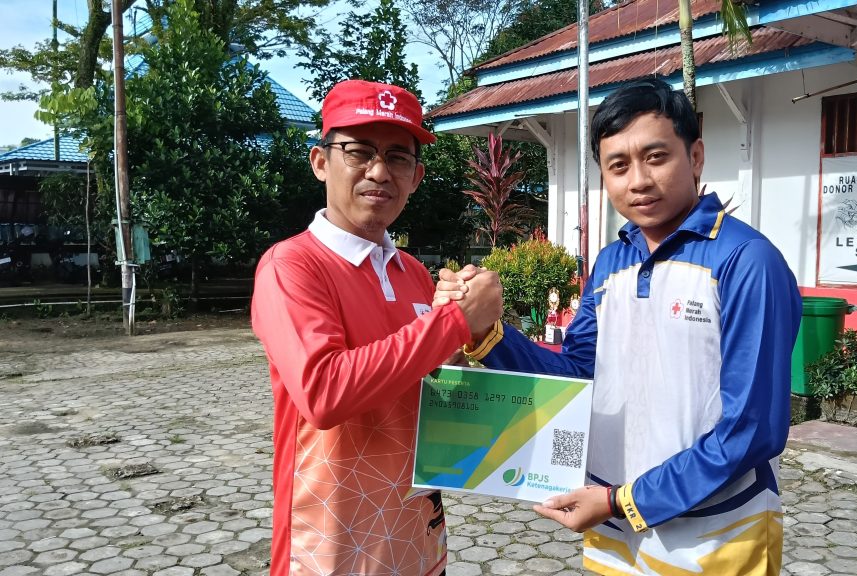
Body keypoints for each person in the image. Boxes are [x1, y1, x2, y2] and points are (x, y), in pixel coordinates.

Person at [434, 77, 801, 575]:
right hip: (612, 531)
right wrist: (484, 334)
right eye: (618, 165)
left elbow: (751, 429)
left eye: (656, 157)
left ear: (695, 157)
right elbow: (577, 377)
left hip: (716, 533)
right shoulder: (611, 263)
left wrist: (625, 500)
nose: (639, 181)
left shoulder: (747, 261)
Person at [250, 79, 502, 576]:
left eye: (398, 157)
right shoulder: (291, 266)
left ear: (416, 176)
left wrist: (471, 341)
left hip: (417, 539)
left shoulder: (414, 273)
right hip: (328, 548)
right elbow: (324, 392)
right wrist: (453, 322)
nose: (379, 171)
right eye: (359, 151)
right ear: (321, 162)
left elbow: (431, 386)